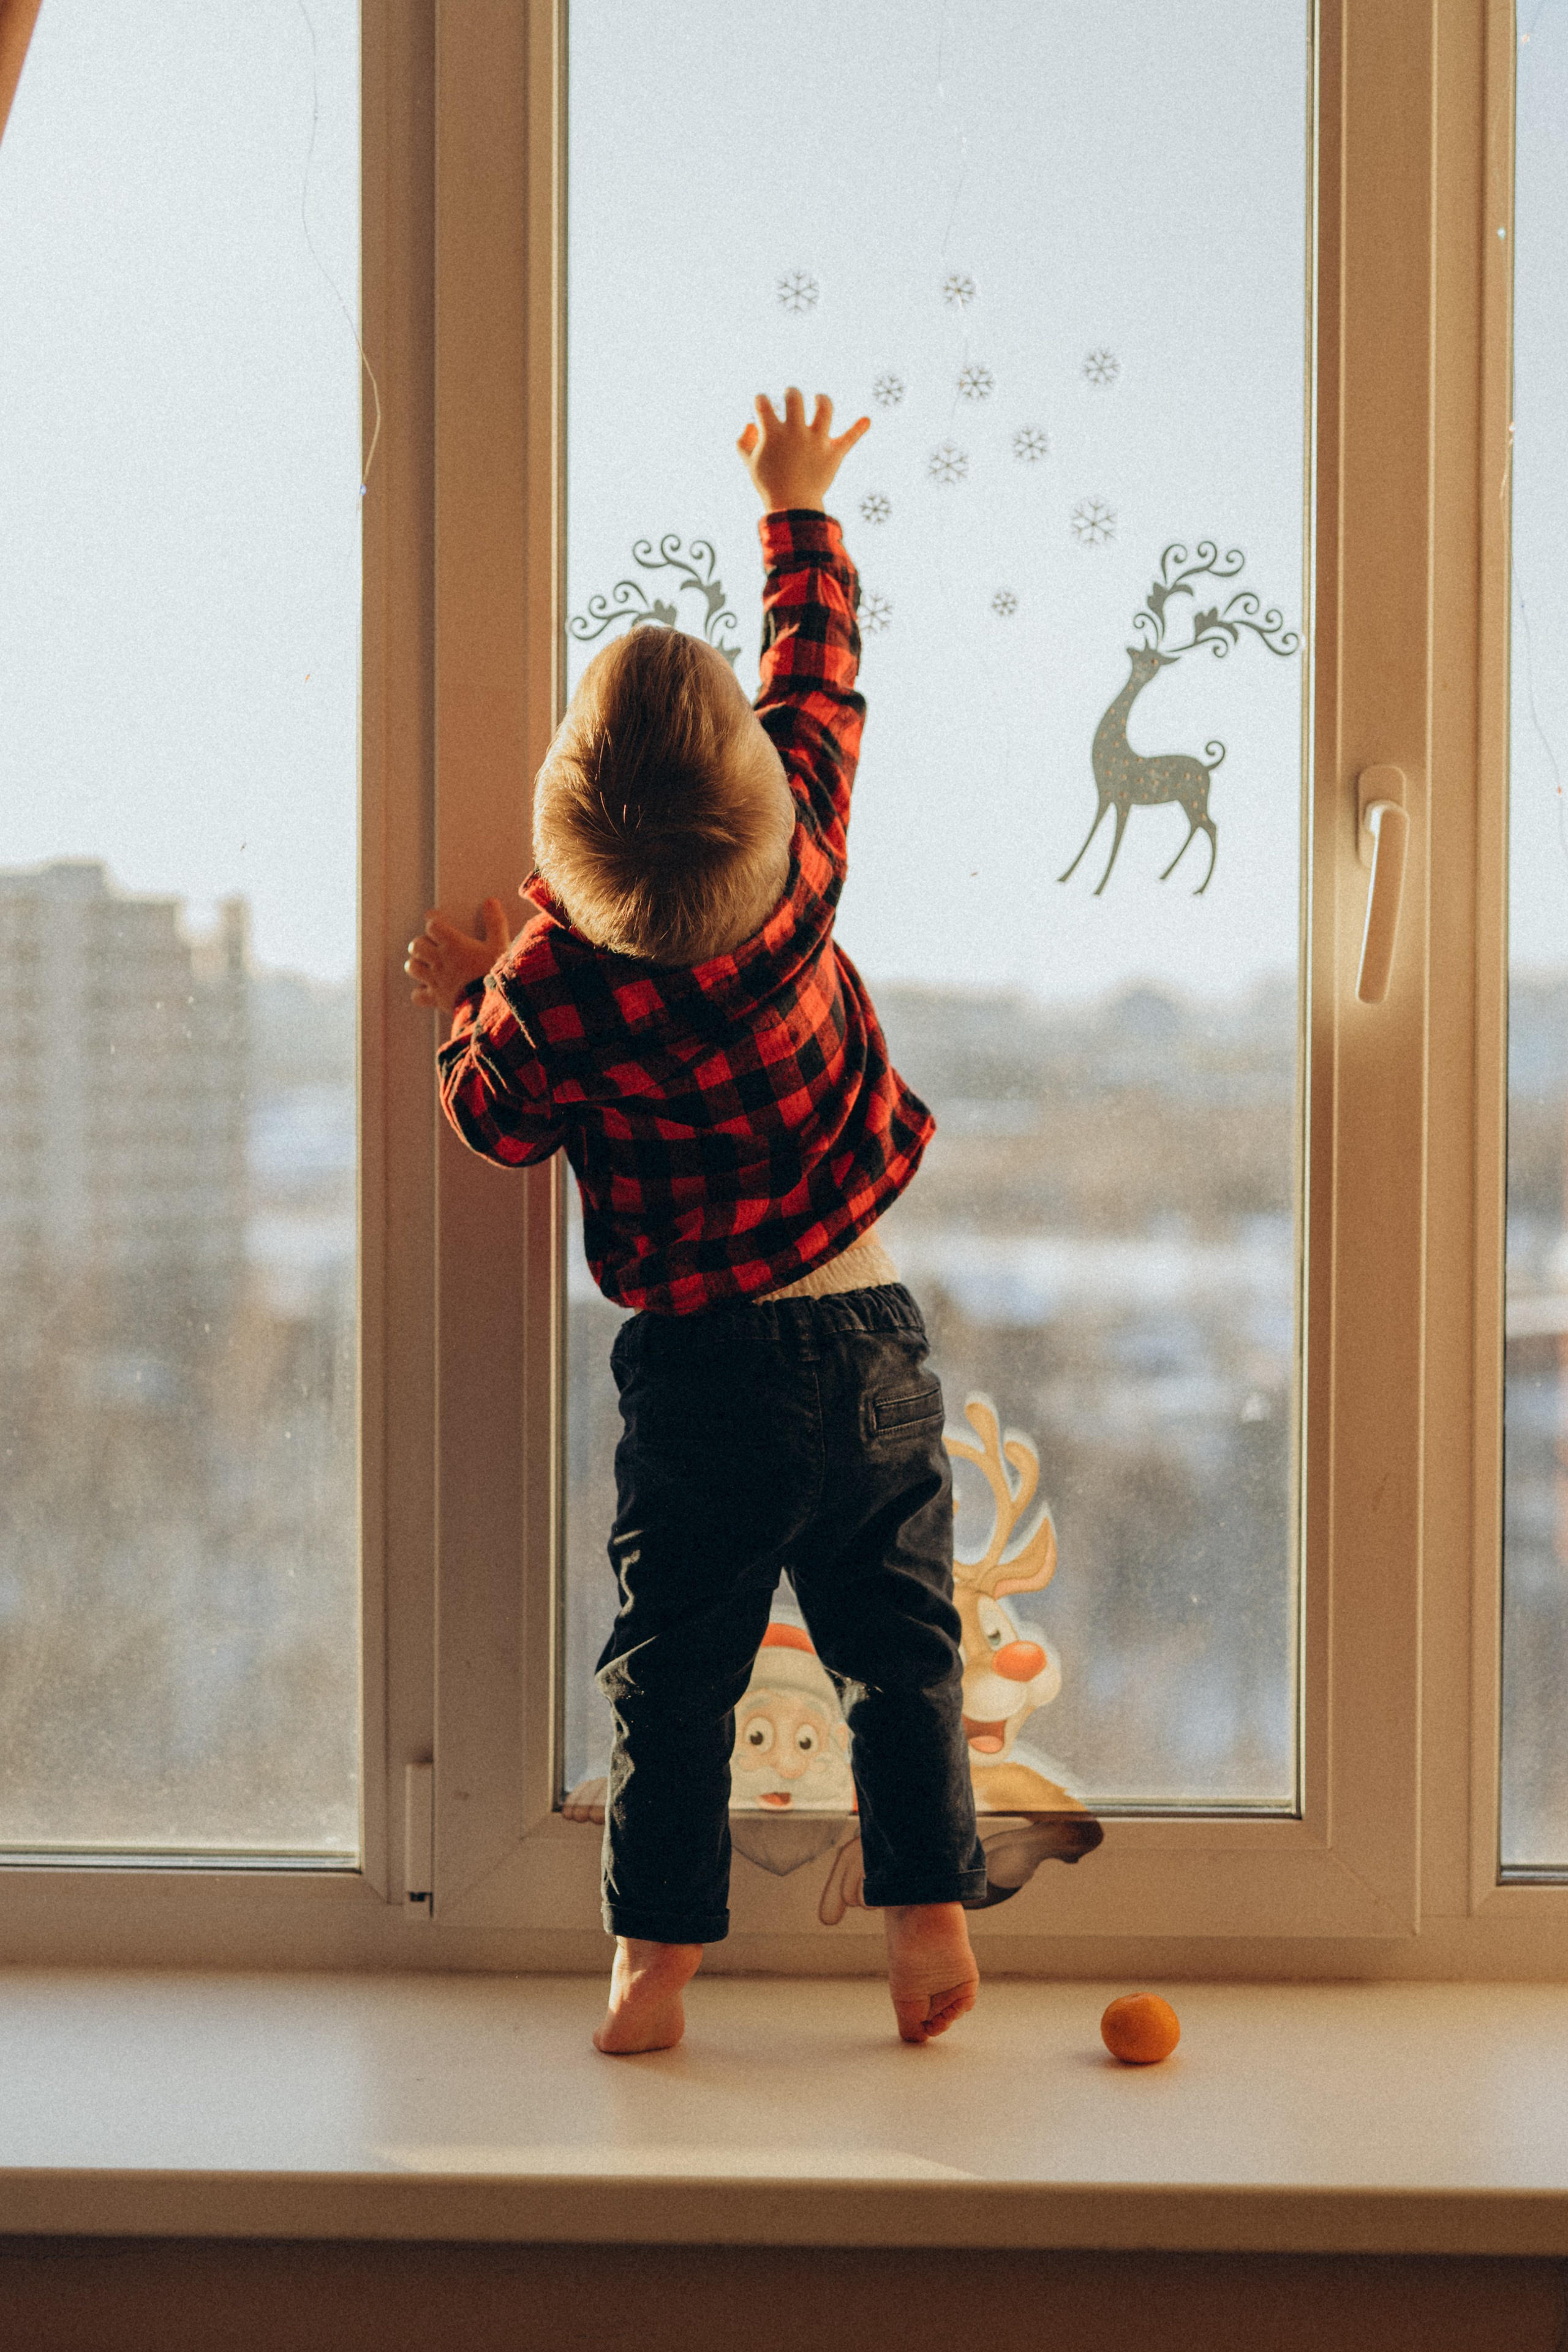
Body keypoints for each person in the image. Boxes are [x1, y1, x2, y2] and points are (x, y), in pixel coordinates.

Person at [406, 388, 985, 2053]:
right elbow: (820, 669)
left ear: (561, 835)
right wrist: (794, 501)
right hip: (867, 1335)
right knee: (903, 1661)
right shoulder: (801, 864)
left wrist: (472, 991)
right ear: (756, 792)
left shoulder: (560, 982)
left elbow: (491, 1118)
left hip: (703, 1379)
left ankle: (653, 1962)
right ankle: (930, 1921)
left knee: (674, 1678)